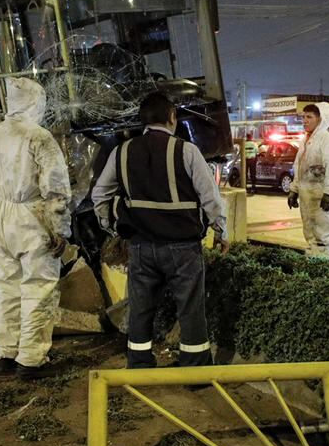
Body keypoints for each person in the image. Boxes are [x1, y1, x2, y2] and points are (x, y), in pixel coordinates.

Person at [92, 92, 228, 368]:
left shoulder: (122, 152)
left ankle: (140, 363)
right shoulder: (187, 151)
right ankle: (195, 369)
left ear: (143, 120)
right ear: (171, 118)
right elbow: (210, 196)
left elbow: (99, 195)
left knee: (141, 306)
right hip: (184, 248)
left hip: (141, 246)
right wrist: (221, 229)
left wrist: (111, 227)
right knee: (190, 308)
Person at [0, 78, 72, 380]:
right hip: (33, 218)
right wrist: (59, 230)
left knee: (7, 288)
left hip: (0, 218)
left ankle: (5, 352)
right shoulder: (39, 137)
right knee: (38, 288)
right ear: (35, 103)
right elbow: (56, 190)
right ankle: (31, 359)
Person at [286, 103, 329, 259]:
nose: (304, 120)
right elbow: (298, 167)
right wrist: (294, 190)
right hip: (306, 198)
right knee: (310, 235)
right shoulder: (305, 141)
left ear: (321, 119)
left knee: (324, 237)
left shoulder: (328, 140)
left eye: (309, 117)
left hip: (321, 198)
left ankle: (325, 269)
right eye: (303, 117)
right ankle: (313, 268)